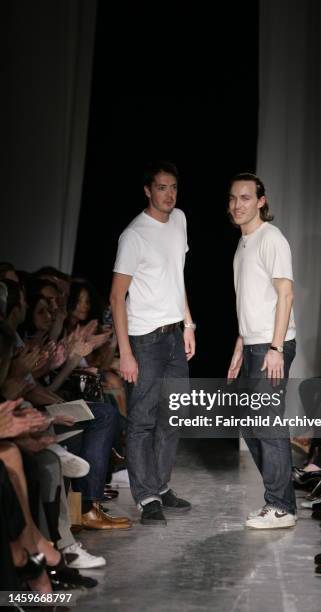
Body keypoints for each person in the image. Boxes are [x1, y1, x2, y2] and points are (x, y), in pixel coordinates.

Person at [110, 161, 196, 526]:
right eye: (162, 187)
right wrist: (125, 352)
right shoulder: (134, 235)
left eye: (173, 187)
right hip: (144, 339)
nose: (169, 194)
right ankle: (146, 498)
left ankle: (160, 486)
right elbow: (117, 297)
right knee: (143, 420)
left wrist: (189, 323)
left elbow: (177, 278)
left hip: (175, 334)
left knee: (174, 414)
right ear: (148, 191)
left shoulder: (179, 220)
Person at [227, 172, 297, 529]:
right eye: (233, 199)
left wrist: (275, 347)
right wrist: (241, 341)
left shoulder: (272, 239)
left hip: (272, 346)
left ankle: (280, 506)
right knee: (249, 423)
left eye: (245, 198)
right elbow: (251, 301)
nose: (237, 205)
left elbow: (285, 294)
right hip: (253, 344)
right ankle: (282, 499)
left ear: (261, 201)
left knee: (267, 424)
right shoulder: (243, 245)